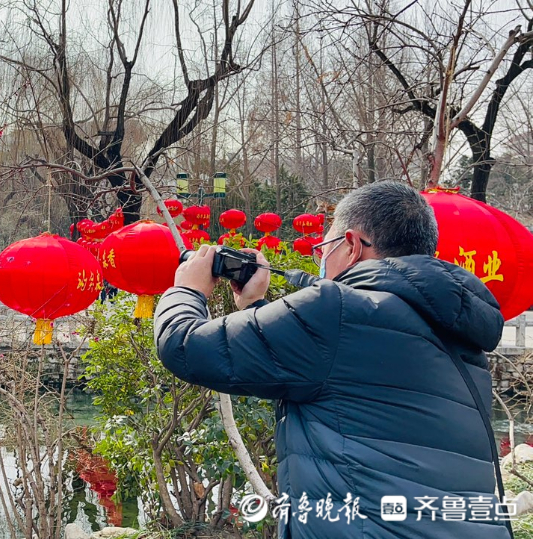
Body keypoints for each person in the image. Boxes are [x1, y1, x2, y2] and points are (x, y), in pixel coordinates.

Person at [154, 182, 509, 539]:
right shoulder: (456, 331)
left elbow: (183, 345)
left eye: (323, 248)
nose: (320, 261)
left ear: (352, 245)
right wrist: (253, 308)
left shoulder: (338, 310)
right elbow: (336, 385)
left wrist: (187, 289)